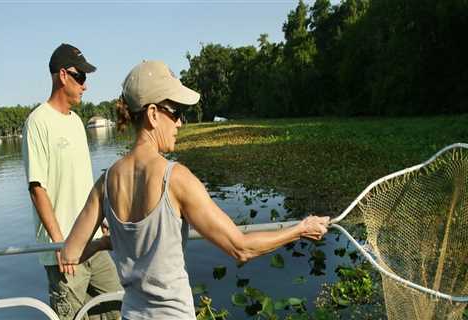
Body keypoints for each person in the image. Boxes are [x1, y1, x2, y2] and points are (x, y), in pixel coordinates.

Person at [61, 60, 330, 320]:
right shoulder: (175, 178)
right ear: (153, 114)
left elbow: (71, 253)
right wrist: (301, 229)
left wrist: (107, 242)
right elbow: (241, 248)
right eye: (176, 112)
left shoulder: (106, 182)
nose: (180, 123)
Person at [22, 43, 122, 320]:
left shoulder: (78, 122)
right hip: (65, 250)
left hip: (93, 240)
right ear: (63, 75)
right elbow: (37, 187)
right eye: (81, 77)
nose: (85, 86)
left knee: (117, 308)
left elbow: (84, 183)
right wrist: (58, 242)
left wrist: (99, 219)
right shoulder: (38, 122)